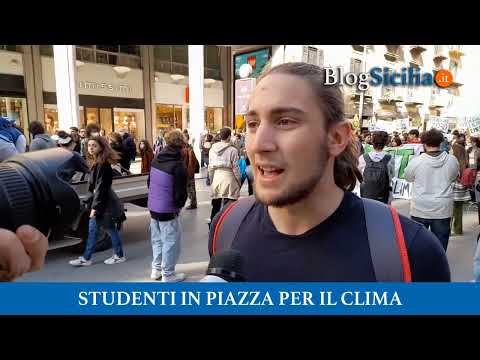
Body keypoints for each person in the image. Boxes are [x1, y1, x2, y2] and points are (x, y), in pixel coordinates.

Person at [208, 62, 450, 282]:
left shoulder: (412, 252)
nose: (259, 144)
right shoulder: (226, 228)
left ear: (336, 137)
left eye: (285, 121)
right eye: (253, 124)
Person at [69, 136, 126, 267]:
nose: (91, 148)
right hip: (102, 204)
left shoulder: (103, 165)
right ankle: (89, 257)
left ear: (101, 147)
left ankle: (114, 256)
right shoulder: (97, 163)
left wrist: (95, 208)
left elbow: (100, 189)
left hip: (104, 205)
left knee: (103, 230)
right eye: (89, 145)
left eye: (94, 145)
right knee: (101, 231)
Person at [405, 129, 459, 251]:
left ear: (424, 143)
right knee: (440, 245)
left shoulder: (416, 161)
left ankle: (420, 267)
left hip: (420, 207)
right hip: (442, 208)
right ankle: (438, 268)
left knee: (418, 244)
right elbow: (454, 177)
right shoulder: (451, 160)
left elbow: (408, 177)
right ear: (440, 142)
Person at [147, 130, 188, 282]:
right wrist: (179, 206)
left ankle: (156, 270)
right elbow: (180, 193)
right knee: (171, 242)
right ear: (181, 146)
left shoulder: (156, 159)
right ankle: (168, 274)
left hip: (154, 207)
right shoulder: (178, 165)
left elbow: (149, 182)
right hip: (168, 209)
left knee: (157, 240)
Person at [208, 127, 242, 225]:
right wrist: (238, 181)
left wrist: (212, 181)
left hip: (217, 178)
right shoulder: (233, 150)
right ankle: (226, 226)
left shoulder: (212, 149)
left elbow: (210, 168)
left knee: (216, 205)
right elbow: (236, 168)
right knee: (229, 208)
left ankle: (213, 225)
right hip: (230, 178)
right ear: (229, 136)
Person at [358, 131, 395, 204]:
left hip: (366, 195)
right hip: (384, 196)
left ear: (372, 142)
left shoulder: (363, 158)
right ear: (385, 143)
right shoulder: (390, 158)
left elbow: (359, 175)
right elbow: (392, 175)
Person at [451, 134, 470, 235]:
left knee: (450, 209)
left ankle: (449, 230)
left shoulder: (453, 163)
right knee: (459, 209)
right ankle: (458, 229)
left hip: (453, 188)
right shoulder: (465, 163)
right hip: (462, 188)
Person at [182, 133, 199, 210]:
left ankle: (193, 203)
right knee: (188, 187)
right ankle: (192, 202)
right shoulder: (185, 147)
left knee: (190, 188)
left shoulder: (188, 148)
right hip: (186, 170)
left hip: (188, 171)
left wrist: (190, 171)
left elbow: (192, 161)